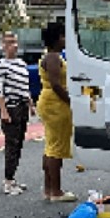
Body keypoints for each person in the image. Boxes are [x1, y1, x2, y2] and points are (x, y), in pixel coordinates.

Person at [38, 22, 75, 202]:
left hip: (50, 101)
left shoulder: (53, 56)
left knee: (51, 145)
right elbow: (56, 84)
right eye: (62, 36)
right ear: (56, 38)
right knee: (56, 148)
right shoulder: (53, 58)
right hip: (55, 103)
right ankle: (56, 191)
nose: (65, 39)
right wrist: (71, 101)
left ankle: (48, 189)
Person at [0, 31, 34, 195]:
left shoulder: (21, 64)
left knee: (19, 144)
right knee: (11, 144)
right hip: (11, 107)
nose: (13, 45)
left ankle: (12, 177)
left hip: (22, 106)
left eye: (15, 41)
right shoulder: (0, 65)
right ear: (3, 45)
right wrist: (3, 111)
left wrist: (30, 104)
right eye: (9, 42)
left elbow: (25, 87)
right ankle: (8, 181)